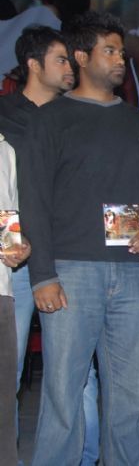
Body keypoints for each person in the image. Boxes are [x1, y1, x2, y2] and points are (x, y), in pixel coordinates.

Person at [21, 11, 139, 466]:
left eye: (122, 51)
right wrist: (43, 275)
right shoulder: (51, 119)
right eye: (110, 50)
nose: (120, 59)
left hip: (130, 271)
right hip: (71, 272)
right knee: (64, 391)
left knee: (131, 393)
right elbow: (33, 200)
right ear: (81, 57)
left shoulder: (136, 121)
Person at [0, 24, 100, 466]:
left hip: (71, 259)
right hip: (16, 265)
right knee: (8, 370)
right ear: (33, 64)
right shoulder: (3, 116)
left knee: (78, 374)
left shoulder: (80, 115)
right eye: (61, 59)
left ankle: (83, 458)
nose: (70, 67)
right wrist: (9, 241)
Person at [0, 126, 31, 466]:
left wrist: (19, 248)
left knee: (5, 396)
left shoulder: (5, 150)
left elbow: (8, 216)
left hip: (2, 288)